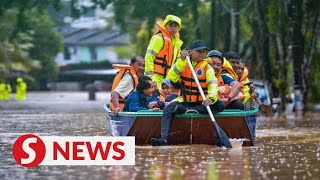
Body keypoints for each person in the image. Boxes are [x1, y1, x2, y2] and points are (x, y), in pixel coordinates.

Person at [150, 40, 226, 146]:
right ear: (191, 51)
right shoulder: (183, 62)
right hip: (186, 100)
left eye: (204, 52)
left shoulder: (208, 67)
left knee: (220, 105)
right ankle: (164, 139)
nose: (201, 54)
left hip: (202, 101)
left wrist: (211, 98)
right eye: (199, 51)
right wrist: (181, 60)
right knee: (168, 109)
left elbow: (213, 85)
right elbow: (171, 77)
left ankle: (191, 110)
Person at [144, 14, 183, 89]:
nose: (173, 28)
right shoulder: (158, 38)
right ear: (166, 25)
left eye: (176, 26)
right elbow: (149, 58)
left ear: (178, 28)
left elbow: (178, 64)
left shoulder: (176, 43)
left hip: (168, 80)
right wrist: (151, 79)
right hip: (156, 77)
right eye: (171, 25)